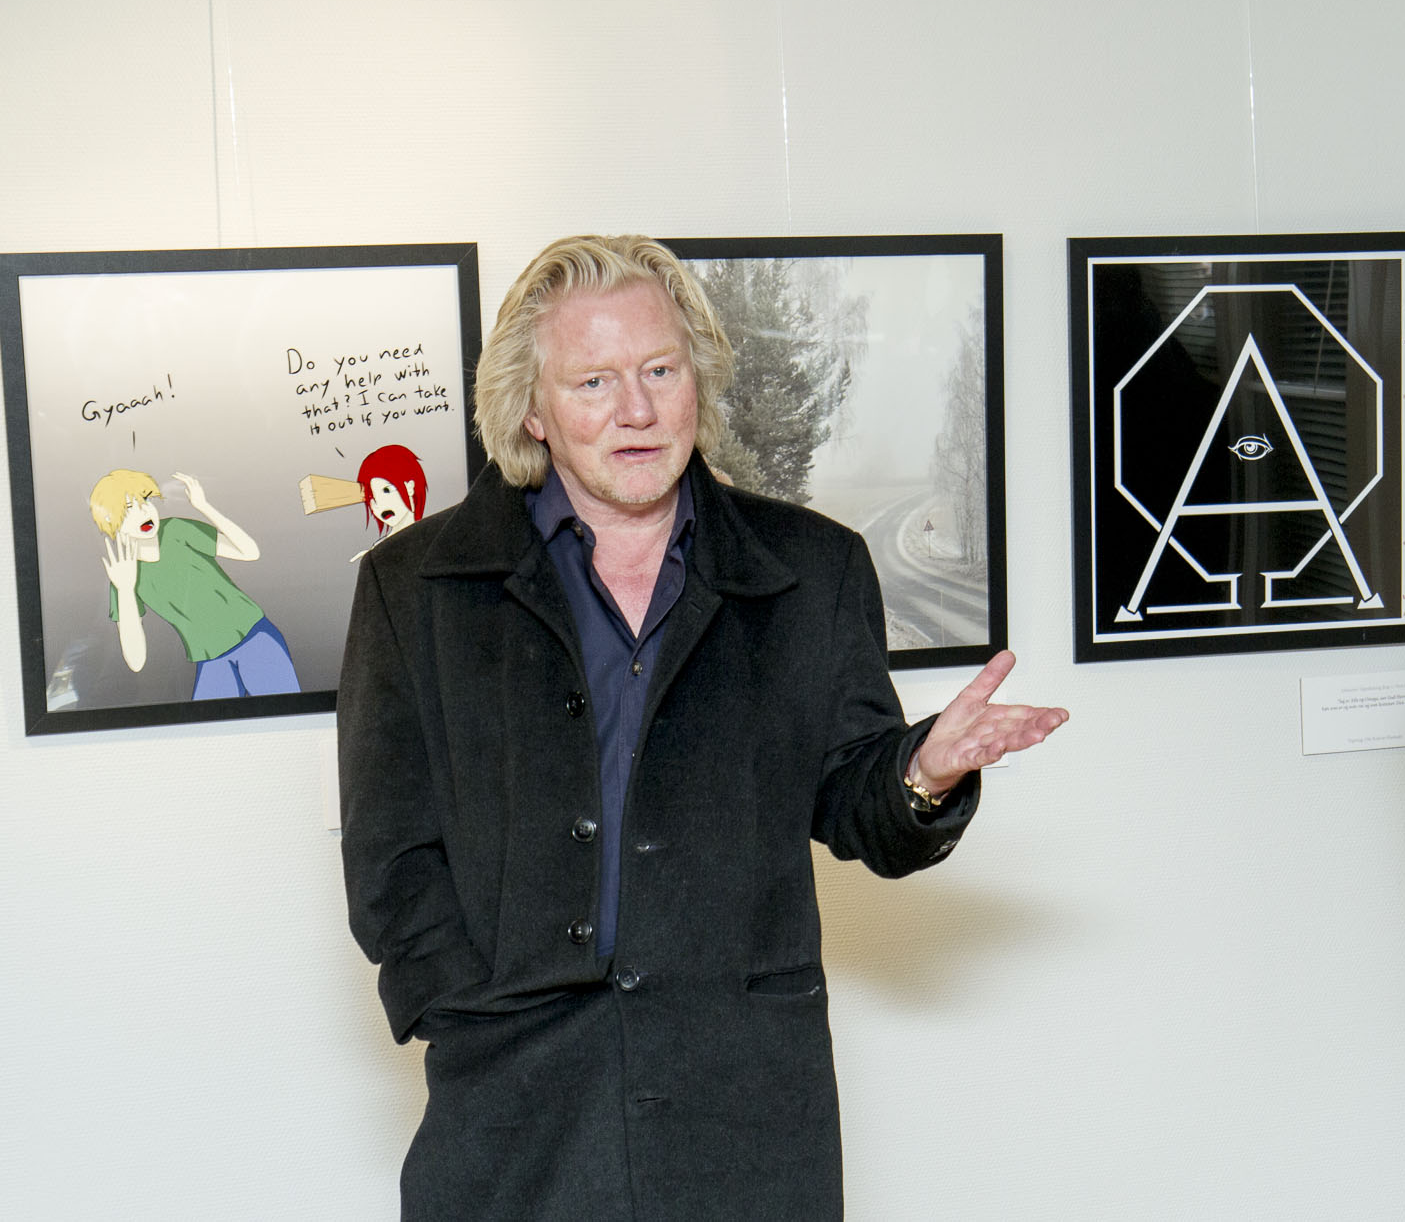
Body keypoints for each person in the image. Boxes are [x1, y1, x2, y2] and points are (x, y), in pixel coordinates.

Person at [337, 234, 1066, 1219]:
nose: (636, 410)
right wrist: (471, 1014)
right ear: (531, 409)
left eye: (659, 370)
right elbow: (389, 856)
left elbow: (859, 799)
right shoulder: (412, 587)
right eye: (593, 380)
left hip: (743, 1114)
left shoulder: (812, 570)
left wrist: (923, 772)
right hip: (512, 1119)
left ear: (698, 380)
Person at [90, 467, 300, 698]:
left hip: (255, 638)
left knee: (288, 713)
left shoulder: (177, 530)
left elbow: (250, 552)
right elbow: (136, 660)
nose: (144, 512)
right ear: (109, 518)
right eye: (129, 507)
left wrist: (203, 506)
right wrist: (126, 590)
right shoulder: (122, 576)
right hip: (210, 660)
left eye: (145, 500)